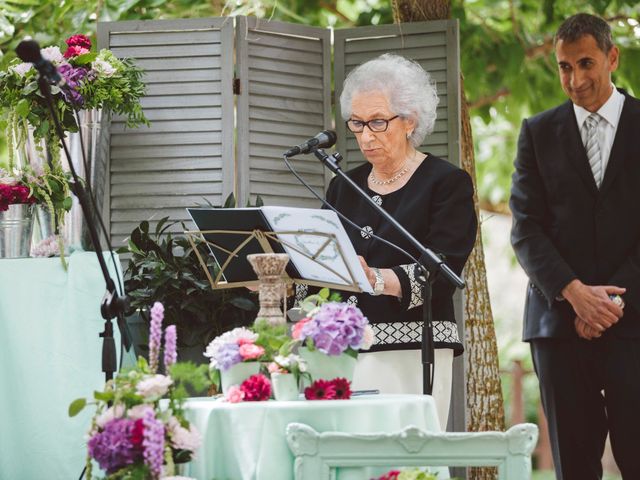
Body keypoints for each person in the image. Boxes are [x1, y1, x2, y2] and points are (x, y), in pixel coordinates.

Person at [298, 53, 477, 429]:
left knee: (405, 462)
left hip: (412, 350)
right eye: (357, 123)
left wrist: (376, 278)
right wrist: (278, 281)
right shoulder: (342, 186)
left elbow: (444, 270)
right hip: (341, 352)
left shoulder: (445, 183)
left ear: (410, 120)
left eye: (378, 122)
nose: (365, 136)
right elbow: (319, 262)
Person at [510, 13, 640, 480]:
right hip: (558, 327)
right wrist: (574, 294)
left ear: (612, 57)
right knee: (575, 470)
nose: (576, 79)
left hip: (636, 323)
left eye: (586, 63)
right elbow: (526, 228)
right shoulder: (537, 132)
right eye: (564, 67)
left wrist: (605, 301)